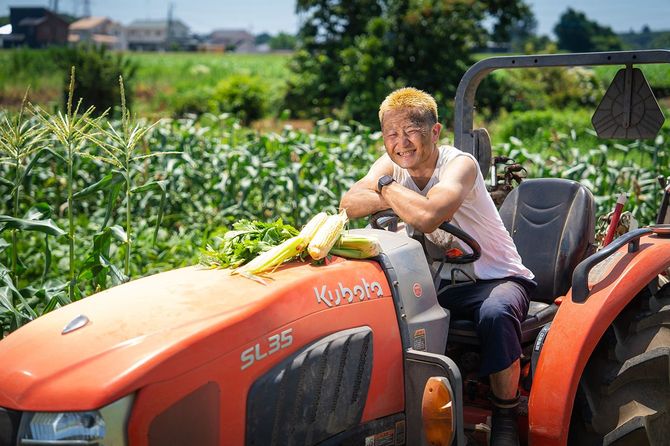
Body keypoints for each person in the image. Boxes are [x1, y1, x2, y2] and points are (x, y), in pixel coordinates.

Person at [339, 87, 535, 446]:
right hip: (436, 280)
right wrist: (392, 190)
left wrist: (383, 187)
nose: (401, 143)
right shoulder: (391, 166)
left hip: (493, 277)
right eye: (391, 134)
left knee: (496, 313)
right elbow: (349, 203)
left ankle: (505, 415)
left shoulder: (460, 164)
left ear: (435, 131)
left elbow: (429, 216)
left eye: (410, 132)